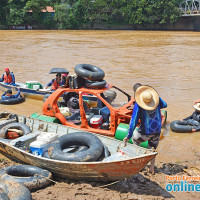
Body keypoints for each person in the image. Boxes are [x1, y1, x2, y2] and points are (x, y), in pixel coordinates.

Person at [123, 83, 167, 174]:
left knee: (135, 140)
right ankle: (152, 168)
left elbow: (133, 121)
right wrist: (156, 98)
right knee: (152, 149)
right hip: (157, 131)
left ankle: (140, 164)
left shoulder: (138, 105)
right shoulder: (156, 99)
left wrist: (128, 135)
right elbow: (164, 104)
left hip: (145, 132)